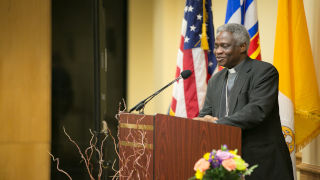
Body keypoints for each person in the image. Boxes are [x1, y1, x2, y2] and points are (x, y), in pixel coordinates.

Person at [194, 23, 294, 179]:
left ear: (242, 47)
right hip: (225, 163)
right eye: (217, 46)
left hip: (262, 162)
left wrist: (216, 123)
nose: (218, 51)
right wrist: (200, 121)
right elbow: (206, 113)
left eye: (224, 46)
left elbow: (256, 111)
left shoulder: (264, 72)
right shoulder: (216, 80)